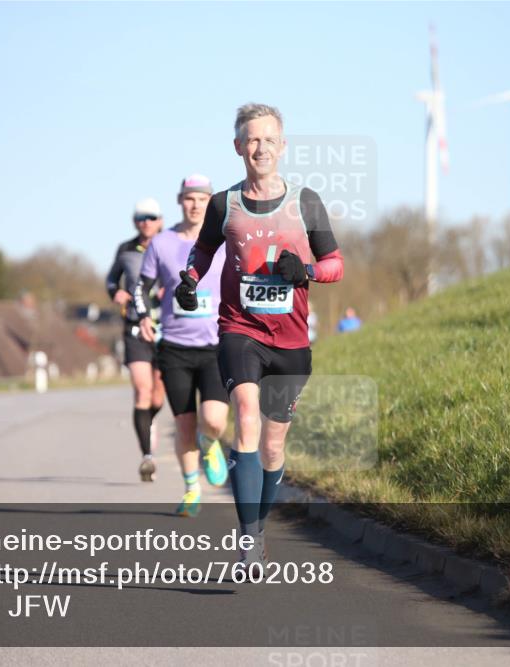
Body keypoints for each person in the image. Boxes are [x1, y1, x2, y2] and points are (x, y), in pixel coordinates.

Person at [174, 104, 344, 572]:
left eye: (269, 139)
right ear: (238, 147)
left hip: (291, 342)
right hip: (239, 329)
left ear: (282, 146)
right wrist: (189, 278)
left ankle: (259, 525)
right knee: (245, 416)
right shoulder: (223, 204)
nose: (260, 147)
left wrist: (305, 270)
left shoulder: (305, 202)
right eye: (252, 139)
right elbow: (203, 250)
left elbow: (336, 265)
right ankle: (248, 540)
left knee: (272, 447)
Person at [133, 175, 230, 517]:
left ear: (211, 203)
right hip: (174, 348)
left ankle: (211, 442)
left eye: (202, 199)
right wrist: (144, 316)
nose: (195, 205)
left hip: (217, 344)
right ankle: (192, 490)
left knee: (214, 420)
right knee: (185, 425)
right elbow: (141, 288)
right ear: (180, 201)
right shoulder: (162, 243)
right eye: (189, 198)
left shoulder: (224, 241)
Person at [106, 198, 165, 482]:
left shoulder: (170, 244)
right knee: (142, 390)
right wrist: (115, 292)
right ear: (134, 221)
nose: (146, 222)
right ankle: (147, 457)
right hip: (134, 326)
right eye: (141, 218)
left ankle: (149, 419)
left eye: (151, 217)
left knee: (157, 394)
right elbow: (110, 280)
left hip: (168, 328)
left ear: (161, 220)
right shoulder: (126, 249)